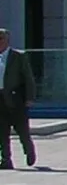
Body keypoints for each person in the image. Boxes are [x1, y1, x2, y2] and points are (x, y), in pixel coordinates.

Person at [0, 28, 36, 169]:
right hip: (0, 99)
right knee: (2, 131)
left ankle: (29, 151)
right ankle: (6, 159)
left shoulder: (18, 56)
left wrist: (30, 97)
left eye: (1, 38)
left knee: (22, 130)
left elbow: (28, 78)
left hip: (16, 99)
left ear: (7, 41)